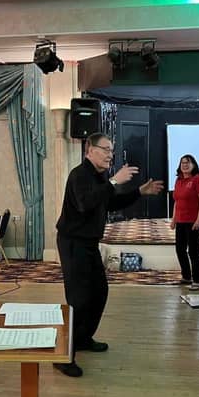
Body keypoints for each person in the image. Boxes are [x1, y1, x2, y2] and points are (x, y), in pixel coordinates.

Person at [55, 132, 163, 377]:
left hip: (89, 244)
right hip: (73, 243)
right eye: (105, 149)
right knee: (78, 300)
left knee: (99, 292)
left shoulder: (98, 176)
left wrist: (139, 192)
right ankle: (63, 355)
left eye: (111, 151)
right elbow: (85, 203)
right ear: (89, 150)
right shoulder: (79, 175)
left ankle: (82, 339)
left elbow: (108, 203)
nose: (110, 155)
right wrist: (114, 181)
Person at [171, 154, 199, 290]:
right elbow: (176, 201)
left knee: (193, 251)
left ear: (194, 165)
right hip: (180, 220)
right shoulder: (178, 180)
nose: (185, 165)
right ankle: (186, 276)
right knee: (180, 249)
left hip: (193, 220)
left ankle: (197, 280)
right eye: (182, 163)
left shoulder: (198, 179)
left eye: (188, 162)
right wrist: (174, 219)